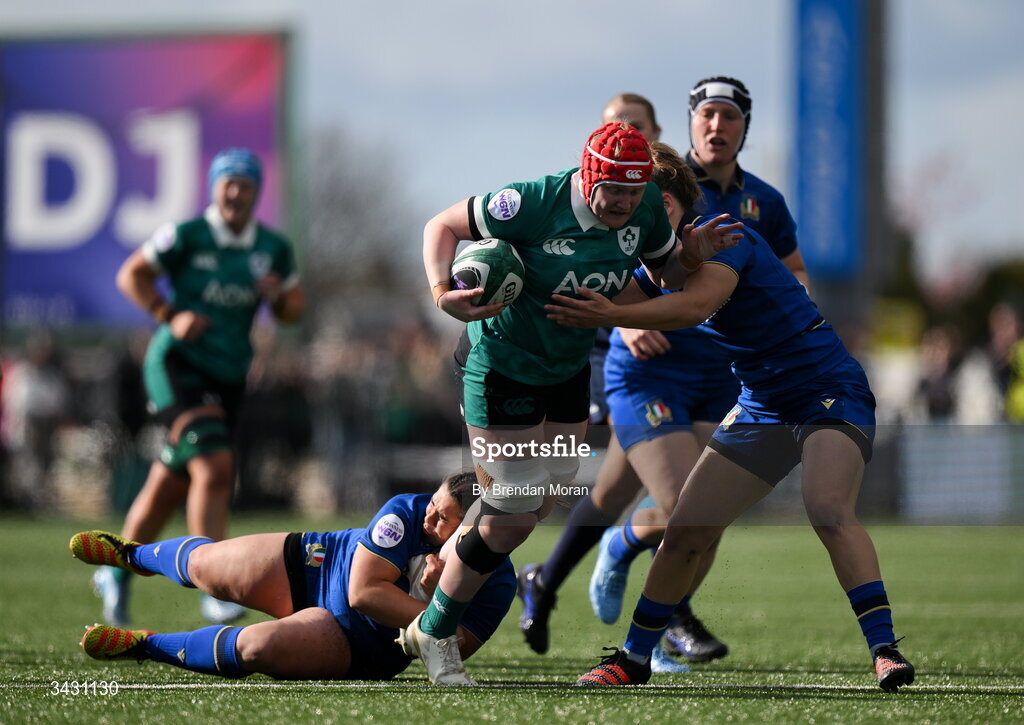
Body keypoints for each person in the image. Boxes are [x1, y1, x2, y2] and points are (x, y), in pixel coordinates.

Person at [548, 141, 916, 693]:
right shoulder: (654, 261)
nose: (635, 211)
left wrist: (614, 315)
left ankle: (885, 652)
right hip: (762, 404)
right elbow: (589, 285)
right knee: (684, 532)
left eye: (650, 203)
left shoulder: (725, 233)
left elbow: (694, 306)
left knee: (826, 508)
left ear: (672, 205)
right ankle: (632, 659)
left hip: (827, 388)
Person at [408, 121, 742, 685]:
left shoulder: (645, 213)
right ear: (588, 176)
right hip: (501, 369)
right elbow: (440, 225)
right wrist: (443, 293)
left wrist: (693, 255)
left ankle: (452, 557)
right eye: (612, 189)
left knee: (546, 495)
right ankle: (436, 629)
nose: (623, 203)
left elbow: (665, 277)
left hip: (565, 373)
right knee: (511, 514)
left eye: (634, 192)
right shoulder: (533, 202)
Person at [519, 78, 808, 666]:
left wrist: (791, 326)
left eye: (729, 117)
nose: (717, 127)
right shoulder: (654, 184)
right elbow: (605, 256)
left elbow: (792, 275)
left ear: (744, 126)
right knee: (683, 506)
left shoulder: (763, 203)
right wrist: (625, 322)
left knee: (638, 497)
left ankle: (554, 579)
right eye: (708, 116)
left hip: (723, 371)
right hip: (649, 366)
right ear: (689, 123)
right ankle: (660, 613)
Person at [93, 148, 305, 627]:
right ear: (214, 187)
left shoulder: (272, 248)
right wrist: (170, 315)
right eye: (227, 183)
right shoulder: (186, 236)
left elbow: (295, 308)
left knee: (171, 480)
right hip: (176, 366)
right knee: (214, 464)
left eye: (245, 185)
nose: (235, 192)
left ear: (255, 192)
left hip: (227, 377)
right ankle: (214, 584)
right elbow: (131, 275)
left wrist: (277, 298)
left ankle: (117, 572)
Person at [70, 472, 516, 681]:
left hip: (358, 644)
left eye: (442, 520)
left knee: (256, 646)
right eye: (433, 504)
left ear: (472, 531)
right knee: (205, 566)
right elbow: (362, 592)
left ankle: (143, 646)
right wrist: (433, 611)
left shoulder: (497, 582)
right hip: (316, 565)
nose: (428, 517)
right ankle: (133, 556)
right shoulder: (407, 511)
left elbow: (456, 646)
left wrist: (447, 596)